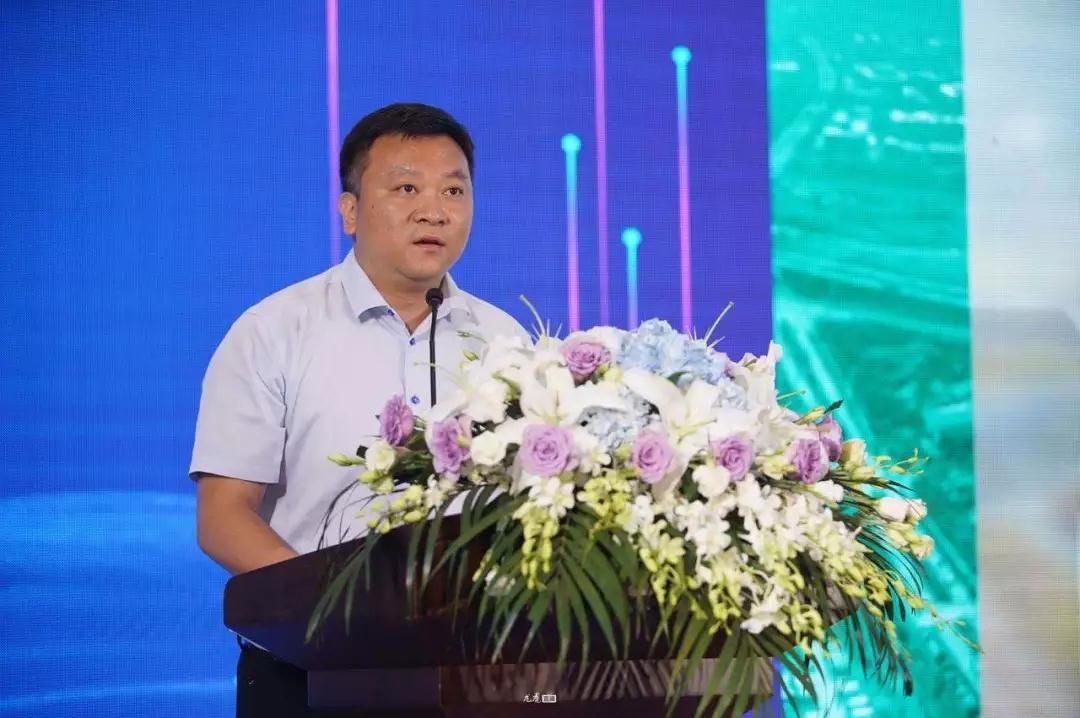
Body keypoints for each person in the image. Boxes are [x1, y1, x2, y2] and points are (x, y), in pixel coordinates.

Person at [189, 103, 528, 717]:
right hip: (305, 670)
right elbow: (222, 516)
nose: (434, 210)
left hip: (472, 669)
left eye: (454, 190)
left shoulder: (506, 342)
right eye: (406, 188)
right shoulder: (274, 332)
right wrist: (333, 611)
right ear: (350, 211)